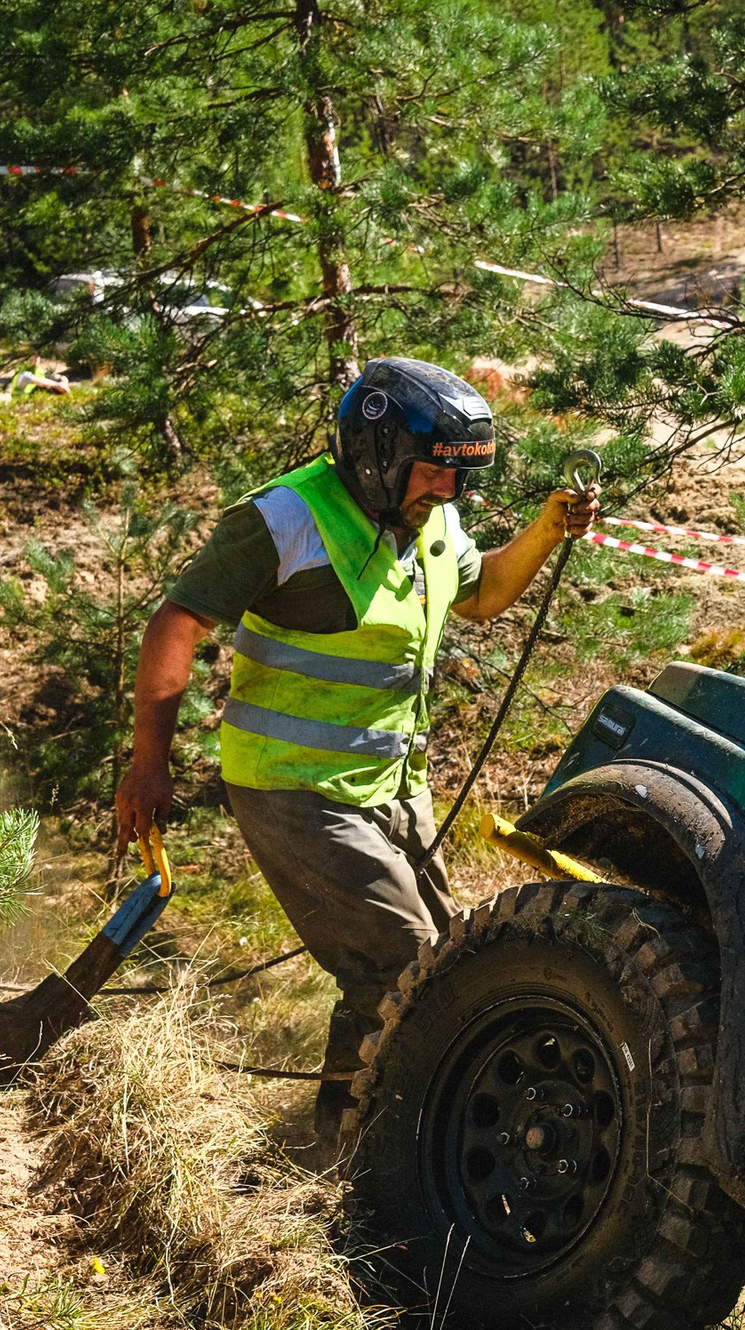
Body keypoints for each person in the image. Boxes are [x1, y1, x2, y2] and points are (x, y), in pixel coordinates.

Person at [113, 356, 598, 1139]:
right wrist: (148, 764)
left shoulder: (432, 518)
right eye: (434, 473)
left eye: (460, 477)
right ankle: (363, 1152)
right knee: (402, 957)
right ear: (377, 456)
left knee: (444, 960)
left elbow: (480, 593)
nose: (449, 491)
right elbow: (177, 622)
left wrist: (546, 528)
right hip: (293, 785)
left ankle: (341, 1131)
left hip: (391, 786)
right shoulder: (285, 518)